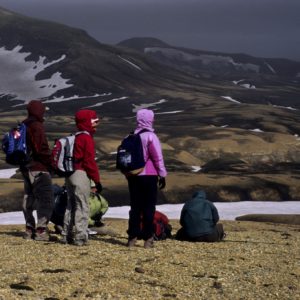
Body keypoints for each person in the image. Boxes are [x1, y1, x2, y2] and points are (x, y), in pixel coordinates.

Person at [126, 108, 167, 249]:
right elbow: (157, 157)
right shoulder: (150, 136)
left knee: (135, 207)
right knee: (149, 207)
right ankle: (148, 238)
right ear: (150, 120)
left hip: (133, 176)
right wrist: (162, 174)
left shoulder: (130, 136)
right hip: (149, 175)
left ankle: (132, 238)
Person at [62, 109, 102, 246]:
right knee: (82, 205)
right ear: (87, 121)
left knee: (70, 205)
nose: (97, 124)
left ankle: (66, 235)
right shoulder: (86, 138)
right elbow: (89, 162)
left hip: (69, 174)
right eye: (94, 121)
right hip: (81, 174)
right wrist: (96, 180)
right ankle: (80, 236)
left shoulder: (75, 136)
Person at [21, 100, 54, 241]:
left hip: (25, 167)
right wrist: (51, 164)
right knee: (45, 199)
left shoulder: (23, 125)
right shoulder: (37, 126)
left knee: (29, 197)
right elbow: (42, 149)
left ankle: (29, 229)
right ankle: (41, 231)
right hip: (38, 168)